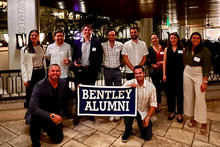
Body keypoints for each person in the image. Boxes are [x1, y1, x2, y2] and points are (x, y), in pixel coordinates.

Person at [27, 64, 73, 147]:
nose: (55, 73)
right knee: (35, 118)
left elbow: (72, 94)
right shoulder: (39, 86)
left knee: (58, 139)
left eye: (57, 71)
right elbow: (32, 108)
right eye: (53, 71)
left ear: (60, 73)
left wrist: (80, 89)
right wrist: (51, 116)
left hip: (54, 115)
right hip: (41, 115)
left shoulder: (63, 83)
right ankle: (35, 141)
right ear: (48, 73)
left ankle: (46, 128)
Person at [72, 24, 103, 125]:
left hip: (90, 72)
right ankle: (78, 114)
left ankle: (90, 113)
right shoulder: (76, 43)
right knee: (79, 93)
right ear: (82, 32)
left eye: (89, 30)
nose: (87, 32)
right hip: (80, 72)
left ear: (91, 31)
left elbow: (99, 58)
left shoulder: (96, 43)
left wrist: (95, 69)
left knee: (90, 93)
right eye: (85, 30)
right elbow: (73, 56)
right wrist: (74, 63)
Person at [183, 32, 211, 135]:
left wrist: (204, 81)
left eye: (198, 38)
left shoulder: (205, 51)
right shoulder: (187, 49)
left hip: (199, 73)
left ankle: (203, 122)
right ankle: (193, 118)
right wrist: (186, 69)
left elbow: (207, 67)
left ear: (200, 39)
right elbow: (184, 61)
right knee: (189, 97)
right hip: (187, 72)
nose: (196, 40)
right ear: (190, 39)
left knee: (200, 98)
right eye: (194, 38)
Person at [121, 65, 157, 142]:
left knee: (147, 137)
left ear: (144, 74)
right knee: (127, 114)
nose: (138, 75)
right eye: (136, 73)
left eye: (140, 73)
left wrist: (147, 118)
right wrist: (130, 88)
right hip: (131, 110)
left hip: (142, 110)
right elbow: (119, 92)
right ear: (134, 75)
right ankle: (128, 129)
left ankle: (146, 124)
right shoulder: (130, 82)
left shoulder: (151, 87)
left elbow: (153, 104)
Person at [46, 30, 72, 117]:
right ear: (54, 37)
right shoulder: (50, 47)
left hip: (64, 73)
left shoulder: (68, 46)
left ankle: (65, 111)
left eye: (61, 36)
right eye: (58, 36)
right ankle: (55, 112)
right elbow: (48, 57)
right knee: (53, 94)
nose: (59, 37)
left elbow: (70, 58)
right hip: (53, 75)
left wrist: (68, 61)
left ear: (63, 37)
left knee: (64, 94)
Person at [21, 30, 46, 108]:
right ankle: (30, 111)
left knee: (41, 92)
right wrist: (25, 79)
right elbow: (23, 64)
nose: (34, 37)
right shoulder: (25, 49)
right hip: (32, 73)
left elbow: (44, 59)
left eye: (36, 35)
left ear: (38, 37)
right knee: (31, 93)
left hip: (41, 72)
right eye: (32, 35)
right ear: (29, 37)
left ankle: (40, 109)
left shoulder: (42, 47)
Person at [102, 30, 123, 121]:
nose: (111, 36)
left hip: (117, 70)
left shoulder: (120, 45)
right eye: (110, 34)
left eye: (113, 35)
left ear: (115, 36)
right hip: (107, 70)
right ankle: (111, 112)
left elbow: (125, 54)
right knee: (109, 92)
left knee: (118, 92)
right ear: (107, 36)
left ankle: (117, 111)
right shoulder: (103, 45)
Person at [163, 32, 184, 123]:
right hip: (169, 74)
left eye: (174, 38)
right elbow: (164, 62)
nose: (172, 40)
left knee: (179, 94)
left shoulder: (182, 49)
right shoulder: (167, 49)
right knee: (170, 94)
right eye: (171, 38)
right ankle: (171, 111)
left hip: (179, 74)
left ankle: (180, 113)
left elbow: (184, 62)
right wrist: (164, 74)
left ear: (178, 39)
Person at [147, 33, 166, 112]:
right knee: (157, 88)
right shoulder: (149, 49)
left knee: (165, 86)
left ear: (158, 38)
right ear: (151, 40)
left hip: (163, 71)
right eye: (152, 38)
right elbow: (147, 60)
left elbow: (167, 58)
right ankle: (159, 104)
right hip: (154, 72)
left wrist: (162, 62)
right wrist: (152, 65)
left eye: (155, 38)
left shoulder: (164, 48)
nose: (154, 40)